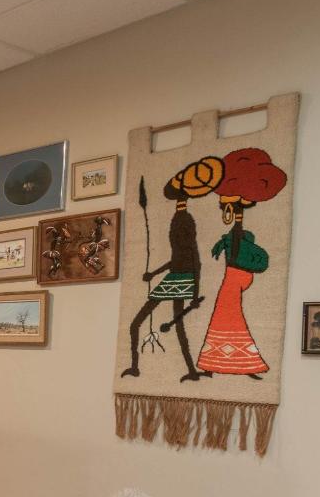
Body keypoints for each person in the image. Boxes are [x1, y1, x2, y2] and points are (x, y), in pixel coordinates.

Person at [121, 157, 223, 380]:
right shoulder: (178, 218)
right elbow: (178, 257)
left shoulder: (184, 219)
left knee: (162, 324)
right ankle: (138, 367)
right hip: (176, 275)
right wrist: (154, 273)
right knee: (148, 324)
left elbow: (193, 255)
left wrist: (194, 293)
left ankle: (189, 370)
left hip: (182, 278)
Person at [197, 148, 288, 378]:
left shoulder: (238, 235)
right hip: (236, 274)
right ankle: (221, 363)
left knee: (227, 313)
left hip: (236, 275)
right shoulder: (235, 235)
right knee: (226, 314)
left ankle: (233, 363)